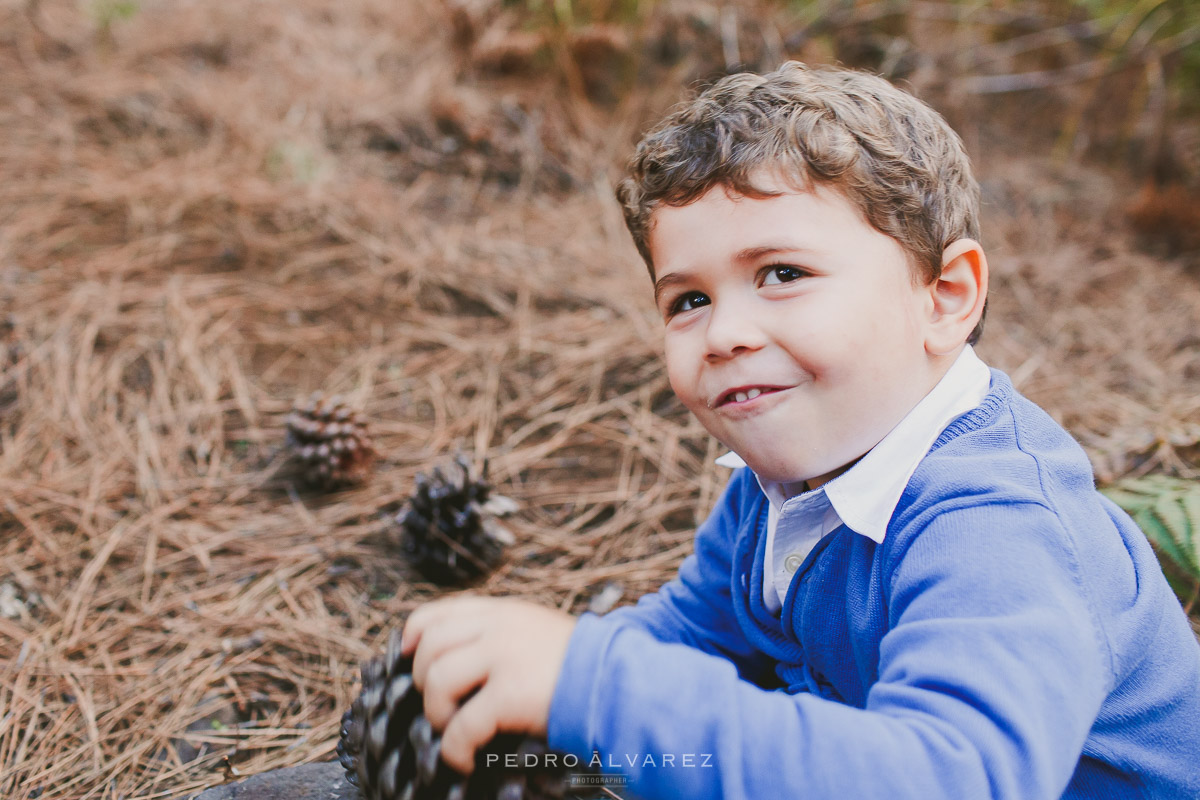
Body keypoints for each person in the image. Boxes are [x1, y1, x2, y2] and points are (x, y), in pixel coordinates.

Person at [400, 62, 1200, 799]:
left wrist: (596, 687)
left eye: (782, 274)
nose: (724, 334)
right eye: (688, 300)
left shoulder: (999, 529)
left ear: (947, 297)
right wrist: (528, 695)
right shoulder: (781, 486)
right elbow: (695, 633)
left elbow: (948, 778)